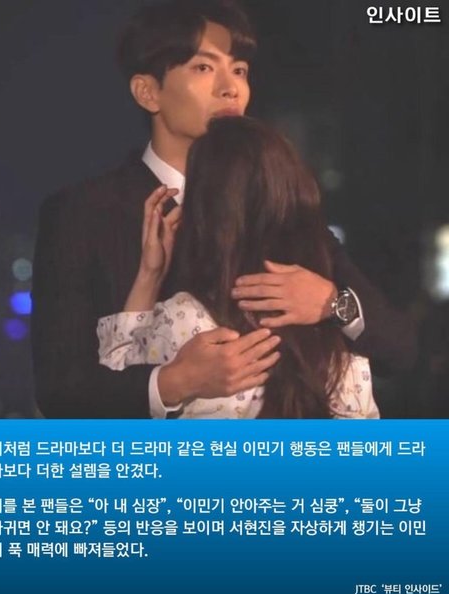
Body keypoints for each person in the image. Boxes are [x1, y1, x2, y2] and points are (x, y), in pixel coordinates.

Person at [31, 0, 415, 419]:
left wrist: (332, 304)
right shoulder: (84, 213)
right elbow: (61, 393)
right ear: (148, 91)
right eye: (203, 67)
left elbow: (400, 350)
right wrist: (174, 383)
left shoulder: (282, 212)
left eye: (240, 70)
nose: (231, 88)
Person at [97, 116, 380, 419]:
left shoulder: (183, 325)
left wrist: (149, 275)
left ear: (204, 214)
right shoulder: (338, 352)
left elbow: (113, 395)